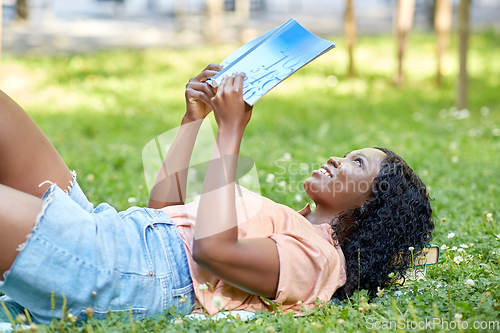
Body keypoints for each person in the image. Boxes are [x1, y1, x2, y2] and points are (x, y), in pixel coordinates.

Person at [0, 64, 434, 324]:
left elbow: (213, 252)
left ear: (372, 205)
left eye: (357, 163)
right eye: (346, 154)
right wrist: (194, 120)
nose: (338, 160)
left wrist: (230, 130)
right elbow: (165, 210)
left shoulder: (321, 261)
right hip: (116, 231)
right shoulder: (290, 221)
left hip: (123, 269)